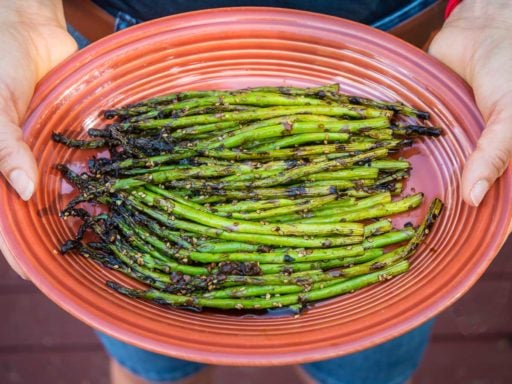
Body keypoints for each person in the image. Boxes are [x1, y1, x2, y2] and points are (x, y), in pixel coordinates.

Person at [1, 1, 511, 383]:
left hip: (407, 49)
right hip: (109, 54)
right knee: (150, 359)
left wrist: (495, 14)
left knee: (368, 369)